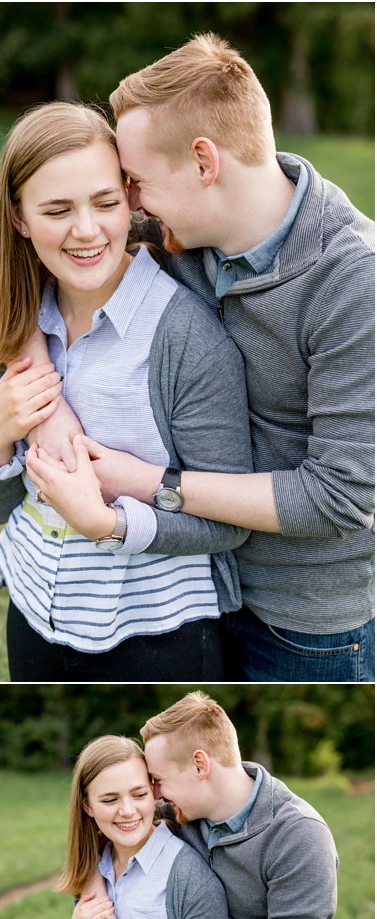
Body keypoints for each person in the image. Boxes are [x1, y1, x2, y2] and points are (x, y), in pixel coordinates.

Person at [29, 34, 375, 681]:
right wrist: (39, 388)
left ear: (202, 161)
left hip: (299, 623)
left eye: (134, 182)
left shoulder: (352, 279)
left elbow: (340, 498)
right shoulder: (181, 227)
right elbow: (38, 250)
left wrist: (146, 484)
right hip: (190, 588)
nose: (126, 204)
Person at [0, 101, 253, 681]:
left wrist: (109, 524)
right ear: (19, 218)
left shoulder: (182, 337)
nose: (87, 230)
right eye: (56, 210)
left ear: (130, 198)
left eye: (104, 202)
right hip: (35, 614)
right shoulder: (27, 324)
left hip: (157, 632)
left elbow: (229, 523)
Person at [92, 692, 338, 919]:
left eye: (159, 779)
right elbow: (96, 833)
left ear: (200, 765)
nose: (154, 794)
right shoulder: (183, 811)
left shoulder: (299, 837)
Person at [57, 735, 233, 919]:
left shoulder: (187, 875)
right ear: (87, 806)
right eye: (109, 800)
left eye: (138, 794)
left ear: (154, 791)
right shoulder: (97, 868)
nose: (127, 810)